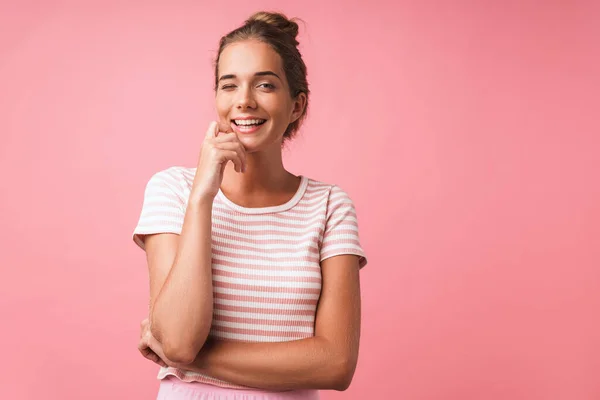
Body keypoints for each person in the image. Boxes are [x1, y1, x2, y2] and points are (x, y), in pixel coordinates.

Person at [132, 11, 368, 400]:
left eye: (265, 85)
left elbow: (336, 363)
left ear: (296, 106)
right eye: (229, 85)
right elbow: (178, 334)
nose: (244, 101)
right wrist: (202, 197)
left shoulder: (329, 206)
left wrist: (187, 360)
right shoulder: (173, 190)